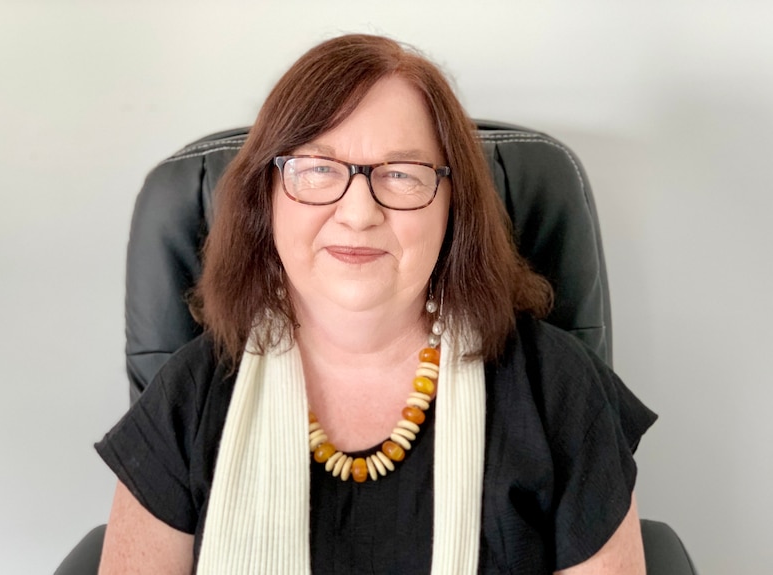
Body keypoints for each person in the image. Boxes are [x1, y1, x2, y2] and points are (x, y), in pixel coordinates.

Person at [95, 34, 656, 574]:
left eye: (401, 175)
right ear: (265, 200)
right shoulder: (188, 398)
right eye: (317, 169)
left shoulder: (557, 390)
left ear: (452, 206)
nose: (359, 213)